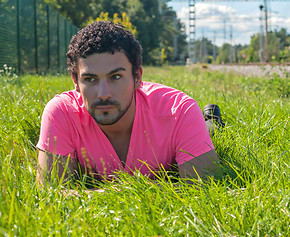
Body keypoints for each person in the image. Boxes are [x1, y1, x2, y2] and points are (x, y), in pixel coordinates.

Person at [36, 21, 220, 186]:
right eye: (90, 79)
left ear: (137, 77)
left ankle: (210, 120)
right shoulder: (61, 112)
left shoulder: (180, 111)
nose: (104, 94)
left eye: (115, 77)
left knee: (208, 129)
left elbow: (205, 190)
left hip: (180, 118)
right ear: (75, 81)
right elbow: (52, 196)